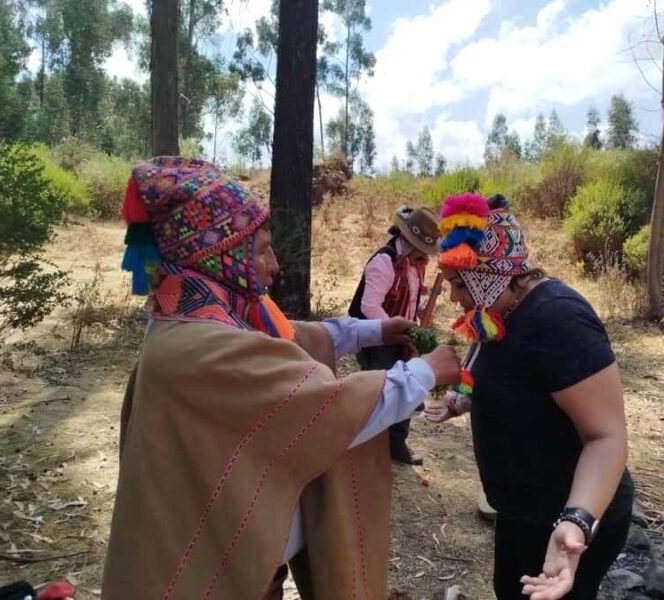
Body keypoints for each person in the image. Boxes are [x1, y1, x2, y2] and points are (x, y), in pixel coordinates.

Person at [102, 157, 461, 599]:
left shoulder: (201, 319)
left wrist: (376, 330)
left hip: (243, 563)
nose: (274, 266)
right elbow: (329, 411)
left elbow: (292, 335)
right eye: (260, 250)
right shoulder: (201, 349)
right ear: (219, 255)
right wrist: (426, 372)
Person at [425, 193, 634, 600]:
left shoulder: (559, 320)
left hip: (567, 521)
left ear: (487, 276)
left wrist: (575, 521)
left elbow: (607, 438)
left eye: (456, 285)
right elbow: (505, 381)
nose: (452, 298)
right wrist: (459, 402)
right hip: (522, 510)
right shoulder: (495, 316)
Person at [349, 205, 441, 465]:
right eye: (425, 251)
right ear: (410, 243)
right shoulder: (384, 262)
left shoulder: (414, 264)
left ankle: (396, 444)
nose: (428, 257)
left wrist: (423, 309)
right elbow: (369, 306)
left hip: (399, 336)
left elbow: (409, 298)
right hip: (376, 337)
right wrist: (395, 329)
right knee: (380, 391)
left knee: (405, 387)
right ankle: (367, 448)